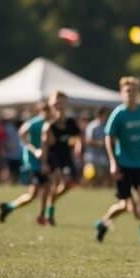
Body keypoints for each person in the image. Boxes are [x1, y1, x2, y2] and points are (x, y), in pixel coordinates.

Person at [95, 76, 140, 244]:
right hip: (123, 164)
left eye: (134, 91)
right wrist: (113, 163)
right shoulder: (118, 114)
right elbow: (109, 138)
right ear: (122, 93)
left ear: (138, 93)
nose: (131, 94)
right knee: (127, 206)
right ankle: (103, 223)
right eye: (127, 91)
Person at [0, 102, 51, 224]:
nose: (47, 113)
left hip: (44, 161)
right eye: (45, 110)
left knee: (47, 188)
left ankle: (41, 215)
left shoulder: (49, 123)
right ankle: (9, 207)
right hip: (33, 162)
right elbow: (21, 134)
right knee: (33, 194)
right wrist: (34, 150)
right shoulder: (34, 122)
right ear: (40, 111)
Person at [43, 91, 82, 225]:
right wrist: (43, 163)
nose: (59, 105)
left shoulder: (71, 122)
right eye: (56, 102)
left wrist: (78, 146)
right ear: (51, 104)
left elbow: (79, 136)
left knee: (69, 184)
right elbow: (46, 146)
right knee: (57, 183)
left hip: (67, 158)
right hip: (53, 159)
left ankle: (50, 203)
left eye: (62, 102)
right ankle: (49, 215)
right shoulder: (49, 126)